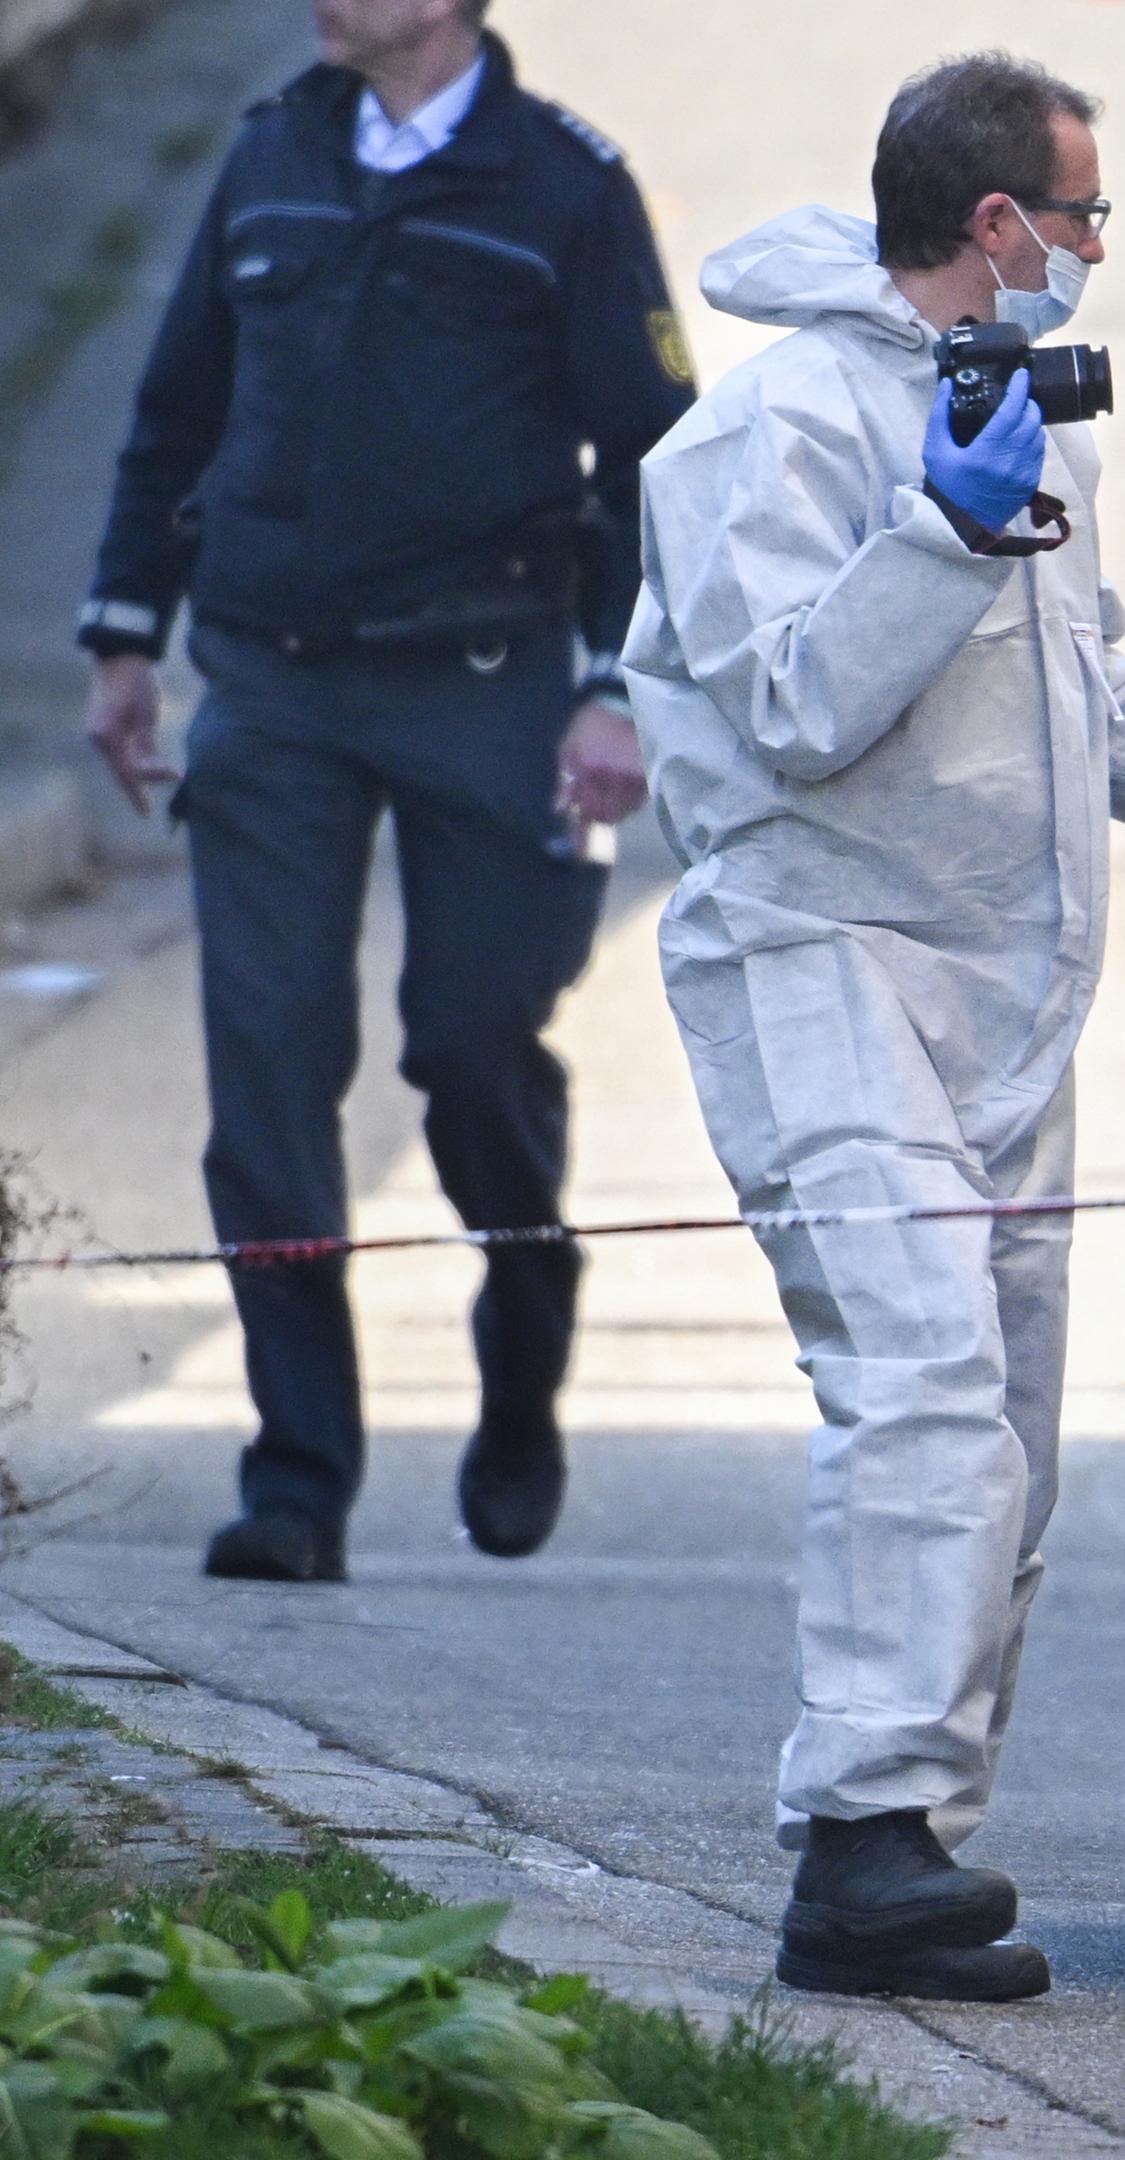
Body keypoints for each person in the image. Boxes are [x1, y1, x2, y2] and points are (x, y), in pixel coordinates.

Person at [622, 51, 1125, 2005]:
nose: (1092, 251)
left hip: (995, 985)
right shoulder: (773, 434)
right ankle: (863, 1847)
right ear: (995, 224)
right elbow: (802, 710)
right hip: (819, 956)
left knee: (1005, 1438)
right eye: (1082, 215)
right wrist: (938, 536)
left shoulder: (1019, 425)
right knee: (915, 1395)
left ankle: (919, 1836)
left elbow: (1084, 680)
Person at [76, 0, 696, 1583]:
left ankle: (528, 1301)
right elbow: (175, 405)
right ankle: (297, 1478)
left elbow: (654, 467)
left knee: (472, 1047)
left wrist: (619, 688)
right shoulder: (274, 151)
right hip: (272, 683)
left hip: (485, 681)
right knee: (270, 1076)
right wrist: (124, 636)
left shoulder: (566, 188)